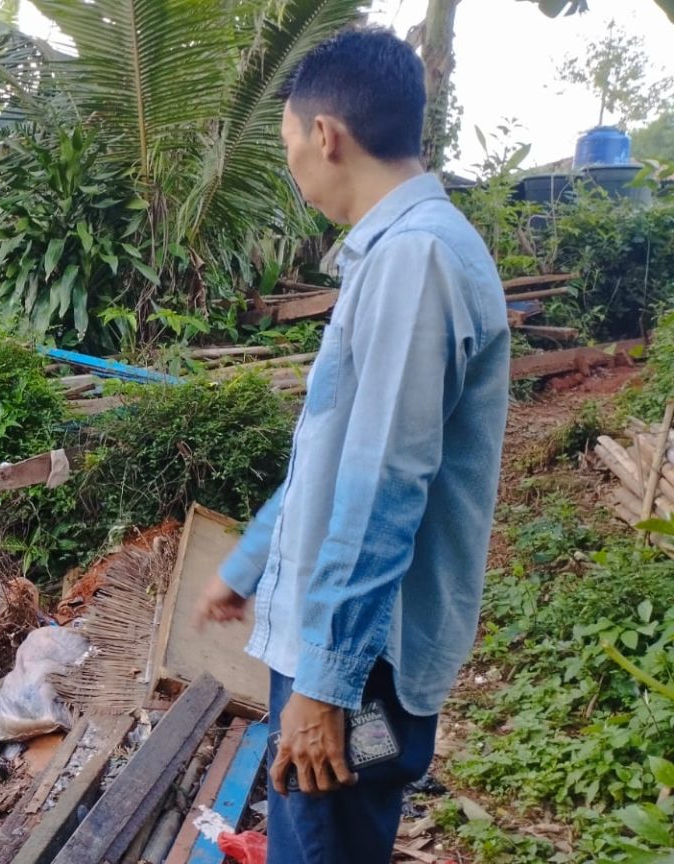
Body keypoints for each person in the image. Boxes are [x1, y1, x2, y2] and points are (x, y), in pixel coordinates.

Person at [193, 27, 509, 864]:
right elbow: (333, 454)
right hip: (347, 643)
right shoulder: (395, 256)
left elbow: (384, 486)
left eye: (290, 142)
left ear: (325, 134)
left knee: (323, 844)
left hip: (359, 658)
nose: (295, 164)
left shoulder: (416, 261)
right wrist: (250, 561)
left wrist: (326, 683)